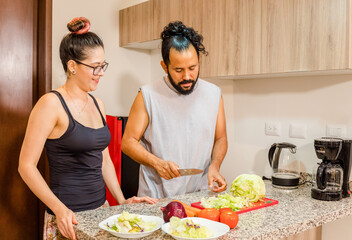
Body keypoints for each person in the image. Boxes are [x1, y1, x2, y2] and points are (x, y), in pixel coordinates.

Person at [18, 17, 157, 240]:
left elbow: (103, 159)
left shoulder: (97, 104)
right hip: (68, 218)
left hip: (100, 212)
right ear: (72, 66)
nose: (101, 72)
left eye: (103, 65)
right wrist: (60, 209)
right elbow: (26, 166)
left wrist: (120, 202)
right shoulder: (50, 104)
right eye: (94, 67)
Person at [122, 21, 228, 199]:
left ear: (199, 61)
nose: (187, 76)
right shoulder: (148, 95)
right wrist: (157, 164)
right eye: (178, 70)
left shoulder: (214, 94)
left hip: (198, 196)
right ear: (164, 66)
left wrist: (215, 166)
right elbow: (128, 142)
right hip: (155, 197)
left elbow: (221, 138)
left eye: (192, 68)